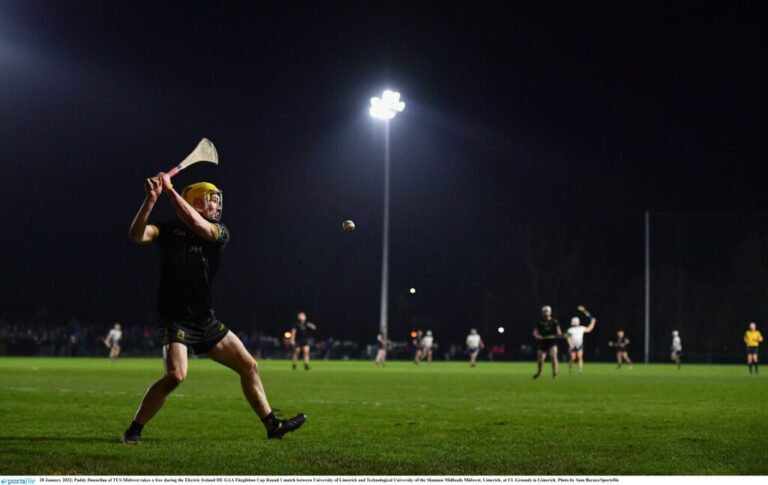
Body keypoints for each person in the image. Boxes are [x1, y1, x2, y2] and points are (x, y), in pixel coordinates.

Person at [122, 173, 305, 444]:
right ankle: (134, 430)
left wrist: (169, 191)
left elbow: (200, 226)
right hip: (177, 319)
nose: (217, 206)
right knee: (175, 376)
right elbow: (136, 234)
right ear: (194, 202)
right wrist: (150, 201)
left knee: (249, 365)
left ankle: (272, 425)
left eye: (218, 201)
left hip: (205, 319)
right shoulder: (168, 231)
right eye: (211, 200)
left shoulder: (219, 233)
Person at [532, 305, 562, 379]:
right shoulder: (540, 322)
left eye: (547, 311)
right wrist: (537, 336)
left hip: (552, 342)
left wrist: (559, 335)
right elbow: (535, 332)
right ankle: (539, 372)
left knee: (553, 356)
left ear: (550, 312)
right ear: (542, 312)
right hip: (543, 342)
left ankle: (554, 374)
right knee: (540, 359)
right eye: (544, 311)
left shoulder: (554, 321)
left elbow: (559, 332)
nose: (546, 313)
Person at [566, 306, 597, 374]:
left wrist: (593, 323)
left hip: (579, 345)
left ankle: (580, 370)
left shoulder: (581, 328)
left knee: (580, 357)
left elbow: (589, 329)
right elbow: (568, 338)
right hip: (572, 345)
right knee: (573, 358)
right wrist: (571, 344)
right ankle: (570, 369)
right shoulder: (570, 329)